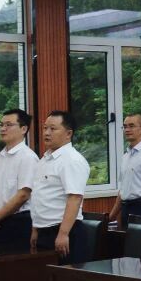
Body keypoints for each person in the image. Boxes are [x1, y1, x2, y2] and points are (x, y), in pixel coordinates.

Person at [30, 110, 92, 261]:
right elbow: (39, 196)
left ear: (68, 133)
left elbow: (74, 198)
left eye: (53, 129)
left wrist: (63, 234)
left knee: (66, 275)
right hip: (44, 230)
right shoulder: (44, 160)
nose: (47, 133)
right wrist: (35, 229)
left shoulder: (72, 160)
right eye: (45, 128)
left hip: (65, 231)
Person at [0, 108, 39, 252]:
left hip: (17, 223)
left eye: (8, 125)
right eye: (1, 125)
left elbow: (23, 195)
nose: (3, 129)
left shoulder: (28, 157)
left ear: (23, 129)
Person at [107, 113, 141, 228]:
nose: (127, 130)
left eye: (131, 126)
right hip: (125, 208)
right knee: (124, 239)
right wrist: (111, 216)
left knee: (140, 240)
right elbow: (122, 190)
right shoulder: (125, 156)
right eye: (125, 126)